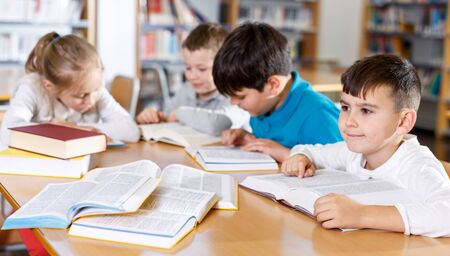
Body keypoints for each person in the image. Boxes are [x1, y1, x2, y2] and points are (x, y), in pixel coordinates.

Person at [282, 54, 450, 237]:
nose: (349, 122)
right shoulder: (353, 152)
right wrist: (301, 157)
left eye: (366, 110)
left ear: (403, 121)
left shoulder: (416, 165)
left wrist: (361, 215)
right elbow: (310, 151)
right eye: (345, 108)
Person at [212, 22, 342, 162]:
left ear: (273, 85)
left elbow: (344, 164)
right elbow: (273, 145)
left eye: (241, 96)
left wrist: (289, 154)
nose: (233, 102)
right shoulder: (265, 104)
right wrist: (250, 139)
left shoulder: (318, 115)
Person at [0, 32, 140, 146]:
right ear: (51, 87)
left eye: (96, 90)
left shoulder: (94, 90)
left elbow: (131, 132)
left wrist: (73, 127)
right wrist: (54, 129)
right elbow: (6, 134)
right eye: (81, 96)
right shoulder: (32, 87)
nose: (91, 100)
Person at [136, 23, 249, 136]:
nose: (192, 76)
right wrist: (154, 118)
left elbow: (217, 124)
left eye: (202, 69)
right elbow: (168, 117)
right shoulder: (186, 90)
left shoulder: (235, 96)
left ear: (223, 67)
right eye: (188, 67)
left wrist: (180, 113)